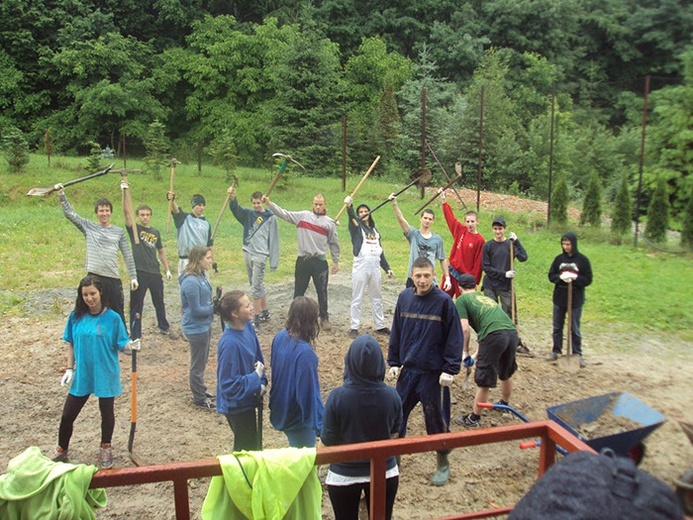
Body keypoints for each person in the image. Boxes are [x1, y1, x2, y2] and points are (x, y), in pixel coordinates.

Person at [387, 257, 463, 486]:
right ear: (412, 275)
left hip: (433, 374)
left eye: (426, 276)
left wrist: (450, 368)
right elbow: (396, 331)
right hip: (408, 372)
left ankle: (442, 462)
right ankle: (393, 461)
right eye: (418, 276)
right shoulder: (404, 298)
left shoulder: (444, 303)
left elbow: (454, 337)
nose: (422, 280)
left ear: (433, 276)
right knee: (395, 416)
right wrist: (393, 362)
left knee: (436, 419)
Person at [51, 275, 139, 468]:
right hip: (83, 373)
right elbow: (71, 344)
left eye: (92, 294)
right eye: (85, 295)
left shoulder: (113, 318)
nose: (89, 298)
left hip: (105, 372)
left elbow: (121, 343)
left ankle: (105, 446)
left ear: (100, 293)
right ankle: (61, 448)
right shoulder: (76, 317)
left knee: (106, 412)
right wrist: (69, 368)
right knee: (67, 415)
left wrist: (130, 346)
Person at [321, 334, 403, 520]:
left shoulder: (337, 397)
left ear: (350, 361)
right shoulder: (392, 396)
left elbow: (328, 440)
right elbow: (395, 433)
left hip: (344, 473)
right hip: (385, 471)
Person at [55, 184, 138, 328]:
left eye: (107, 210)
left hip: (112, 278)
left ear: (111, 212)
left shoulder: (118, 232)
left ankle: (122, 340)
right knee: (86, 309)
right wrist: (61, 195)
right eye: (101, 211)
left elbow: (127, 255)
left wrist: (133, 276)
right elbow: (70, 214)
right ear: (96, 213)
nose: (104, 213)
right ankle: (81, 334)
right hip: (93, 277)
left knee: (117, 312)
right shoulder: (89, 227)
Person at [263, 193, 339, 330]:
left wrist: (335, 261)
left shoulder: (329, 223)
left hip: (320, 262)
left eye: (320, 204)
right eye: (315, 204)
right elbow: (284, 214)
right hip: (303, 260)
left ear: (325, 205)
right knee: (298, 291)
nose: (317, 207)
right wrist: (270, 204)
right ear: (312, 203)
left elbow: (334, 243)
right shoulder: (302, 216)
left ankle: (324, 318)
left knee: (322, 291)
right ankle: (293, 318)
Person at [452, 274, 518, 428]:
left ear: (460, 289)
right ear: (475, 287)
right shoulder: (486, 299)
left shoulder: (461, 300)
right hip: (511, 333)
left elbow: (464, 329)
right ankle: (505, 404)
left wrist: (465, 352)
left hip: (495, 336)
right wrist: (475, 356)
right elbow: (488, 328)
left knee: (484, 378)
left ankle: (474, 419)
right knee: (505, 372)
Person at [121, 181, 176, 340]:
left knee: (159, 302)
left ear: (150, 216)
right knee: (136, 305)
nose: (145, 217)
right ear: (138, 216)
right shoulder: (135, 230)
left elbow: (161, 251)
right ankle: (135, 335)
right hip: (139, 272)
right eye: (142, 215)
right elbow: (126, 213)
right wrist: (125, 193)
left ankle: (164, 327)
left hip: (154, 272)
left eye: (147, 214)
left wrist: (166, 269)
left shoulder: (155, 232)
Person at [216, 290, 268, 451]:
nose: (252, 308)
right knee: (246, 450)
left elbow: (257, 357)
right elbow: (228, 385)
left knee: (252, 445)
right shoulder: (230, 344)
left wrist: (262, 382)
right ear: (234, 313)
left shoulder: (248, 328)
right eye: (247, 306)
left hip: (248, 398)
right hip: (237, 406)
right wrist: (255, 379)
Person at [269, 296, 323, 448]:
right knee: (304, 464)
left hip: (281, 408)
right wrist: (321, 426)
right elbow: (308, 396)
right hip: (297, 419)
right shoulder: (305, 354)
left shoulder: (280, 337)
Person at [227, 187, 279, 328]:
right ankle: (265, 312)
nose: (256, 205)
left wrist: (274, 260)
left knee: (256, 287)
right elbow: (236, 209)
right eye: (254, 203)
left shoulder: (270, 217)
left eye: (258, 203)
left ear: (262, 202)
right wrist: (232, 197)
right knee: (255, 283)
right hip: (247, 251)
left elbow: (274, 239)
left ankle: (256, 317)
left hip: (260, 255)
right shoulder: (248, 215)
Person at [344, 196, 394, 338]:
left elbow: (380, 252)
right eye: (361, 212)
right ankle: (354, 326)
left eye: (366, 211)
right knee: (357, 296)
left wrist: (387, 268)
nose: (363, 213)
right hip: (361, 266)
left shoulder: (375, 231)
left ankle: (380, 325)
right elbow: (352, 218)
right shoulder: (357, 228)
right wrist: (349, 207)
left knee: (377, 297)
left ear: (370, 213)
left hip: (375, 267)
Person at [481, 217, 531, 356]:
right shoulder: (488, 246)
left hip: (506, 287)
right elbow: (486, 267)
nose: (498, 231)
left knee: (509, 314)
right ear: (493, 230)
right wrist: (504, 274)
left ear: (505, 229)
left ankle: (515, 342)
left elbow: (523, 257)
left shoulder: (510, 245)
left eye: (500, 229)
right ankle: (490, 341)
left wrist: (517, 241)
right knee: (490, 314)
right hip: (490, 285)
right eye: (495, 229)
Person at [547, 231, 593, 367]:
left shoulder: (583, 261)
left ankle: (577, 354)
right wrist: (560, 278)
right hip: (560, 298)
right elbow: (551, 275)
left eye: (568, 244)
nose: (566, 247)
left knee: (574, 328)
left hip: (575, 299)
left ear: (574, 244)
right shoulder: (559, 259)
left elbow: (588, 279)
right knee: (557, 326)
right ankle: (556, 350)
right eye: (563, 244)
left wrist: (576, 278)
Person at [388, 193, 452, 291]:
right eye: (425, 218)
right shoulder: (414, 234)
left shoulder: (437, 239)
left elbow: (442, 259)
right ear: (421, 218)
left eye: (430, 219)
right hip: (413, 278)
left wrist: (447, 278)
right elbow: (401, 220)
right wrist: (394, 203)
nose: (427, 221)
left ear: (433, 221)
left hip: (430, 279)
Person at [179, 245, 215, 410]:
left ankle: (200, 390)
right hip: (196, 328)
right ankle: (199, 398)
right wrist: (215, 308)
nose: (210, 260)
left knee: (202, 360)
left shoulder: (200, 276)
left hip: (204, 325)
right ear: (198, 259)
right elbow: (197, 310)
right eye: (208, 258)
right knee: (198, 364)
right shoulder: (191, 282)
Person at [439, 189, 485, 297]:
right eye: (468, 221)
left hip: (465, 278)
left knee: (462, 305)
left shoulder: (480, 240)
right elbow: (451, 219)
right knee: (442, 299)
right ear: (465, 222)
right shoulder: (461, 230)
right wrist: (444, 202)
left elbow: (478, 263)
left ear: (477, 222)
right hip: (451, 272)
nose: (470, 224)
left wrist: (474, 282)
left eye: (472, 221)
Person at [167, 191, 216, 276]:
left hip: (202, 261)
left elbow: (209, 245)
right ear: (194, 206)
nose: (202, 207)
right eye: (199, 205)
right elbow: (176, 210)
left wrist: (214, 263)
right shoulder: (184, 218)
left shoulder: (206, 224)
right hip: (187, 260)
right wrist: (172, 200)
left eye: (203, 205)